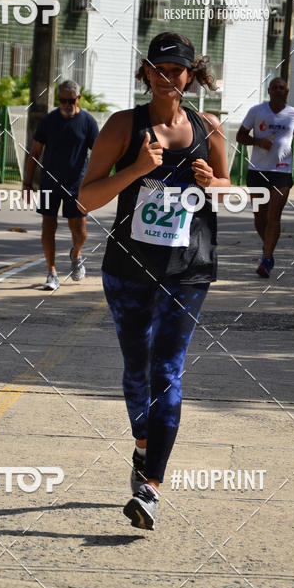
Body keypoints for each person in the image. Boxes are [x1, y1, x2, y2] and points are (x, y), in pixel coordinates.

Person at [79, 32, 230, 531]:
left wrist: (214, 184)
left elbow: (231, 192)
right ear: (146, 72)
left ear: (192, 74)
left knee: (167, 370)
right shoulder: (124, 126)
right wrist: (138, 170)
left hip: (188, 269)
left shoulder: (209, 128)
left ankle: (151, 488)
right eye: (159, 69)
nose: (168, 77)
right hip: (129, 269)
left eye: (177, 69)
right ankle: (143, 445)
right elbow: (85, 198)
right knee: (137, 367)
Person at [23, 80, 99, 291]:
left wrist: (96, 182)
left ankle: (76, 253)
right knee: (49, 226)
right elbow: (35, 153)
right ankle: (52, 272)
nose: (66, 105)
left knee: (80, 231)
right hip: (50, 183)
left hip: (77, 185)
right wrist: (27, 183)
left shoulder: (88, 122)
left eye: (71, 101)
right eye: (62, 100)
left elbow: (99, 155)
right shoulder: (48, 121)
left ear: (78, 99)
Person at [236, 77, 294, 278]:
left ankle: (267, 259)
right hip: (258, 171)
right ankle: (268, 247)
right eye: (274, 87)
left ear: (287, 91)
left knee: (273, 217)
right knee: (260, 219)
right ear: (269, 91)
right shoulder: (257, 111)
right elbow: (240, 136)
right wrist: (258, 142)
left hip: (282, 172)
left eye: (281, 88)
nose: (278, 90)